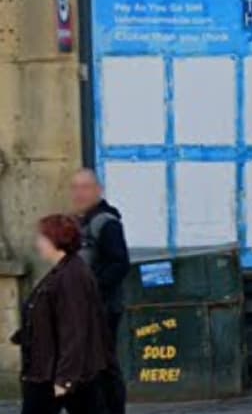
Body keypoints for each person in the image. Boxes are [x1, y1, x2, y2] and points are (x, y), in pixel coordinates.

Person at [12, 214, 109, 414]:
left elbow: (75, 330)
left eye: (42, 238)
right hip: (52, 367)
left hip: (56, 372)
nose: (37, 243)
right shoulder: (64, 270)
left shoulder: (71, 275)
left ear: (55, 240)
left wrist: (65, 380)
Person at [70, 169, 130, 414]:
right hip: (83, 308)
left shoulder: (106, 223)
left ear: (98, 190)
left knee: (104, 365)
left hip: (103, 307)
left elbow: (120, 263)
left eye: (85, 187)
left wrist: (92, 288)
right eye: (75, 188)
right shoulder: (79, 222)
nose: (79, 193)